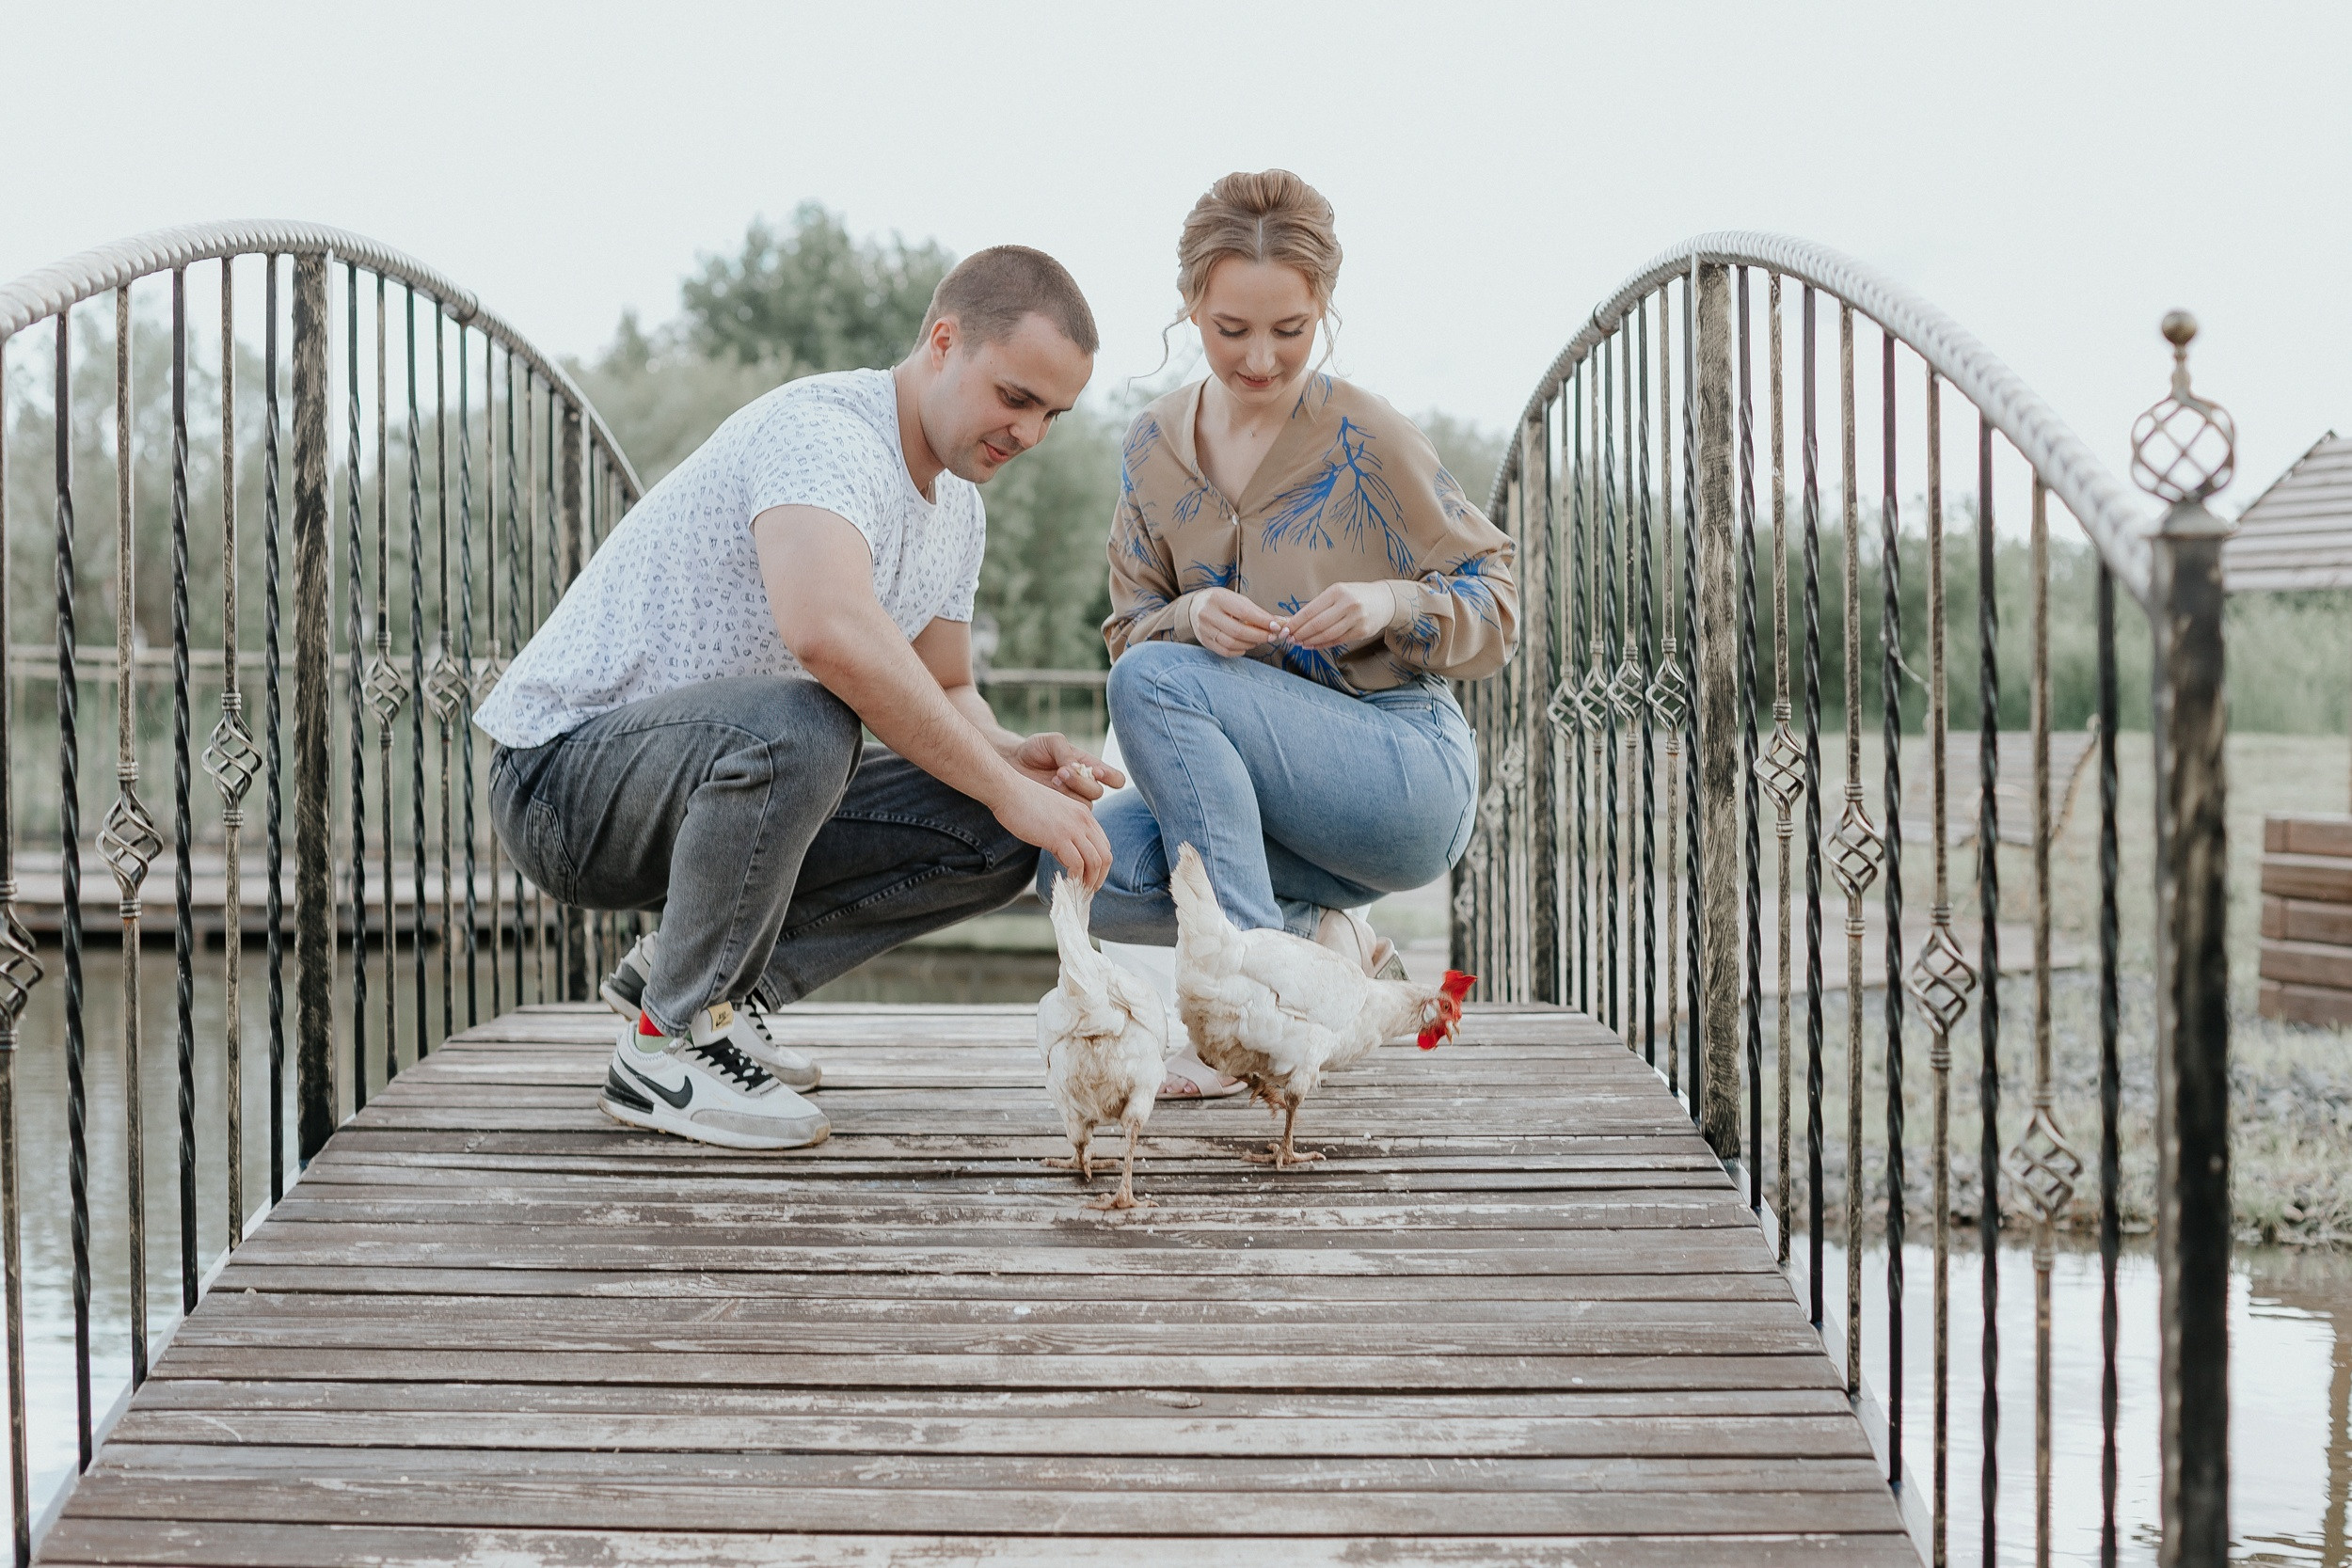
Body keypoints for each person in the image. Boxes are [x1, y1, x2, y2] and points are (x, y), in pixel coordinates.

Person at [478, 245, 1120, 1151]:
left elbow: (945, 686)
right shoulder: (828, 434)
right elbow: (828, 632)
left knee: (997, 828)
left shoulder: (959, 509)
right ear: (944, 343)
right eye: (1016, 397)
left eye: (1053, 413)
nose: (1030, 434)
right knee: (808, 721)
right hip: (561, 782)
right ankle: (665, 1049)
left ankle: (701, 987)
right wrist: (1004, 780)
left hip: (708, 781)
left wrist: (1014, 764)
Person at [1038, 169, 1518, 1098]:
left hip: (1399, 771)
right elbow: (1131, 630)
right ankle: (1309, 934)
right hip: (1253, 798)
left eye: (1288, 331)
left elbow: (1498, 601)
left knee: (1154, 684)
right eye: (1231, 330)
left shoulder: (1366, 436)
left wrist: (1388, 602)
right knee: (1068, 854)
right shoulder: (1150, 448)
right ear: (1189, 307)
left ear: (1322, 308)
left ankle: (1248, 1016)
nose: (1259, 359)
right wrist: (1186, 614)